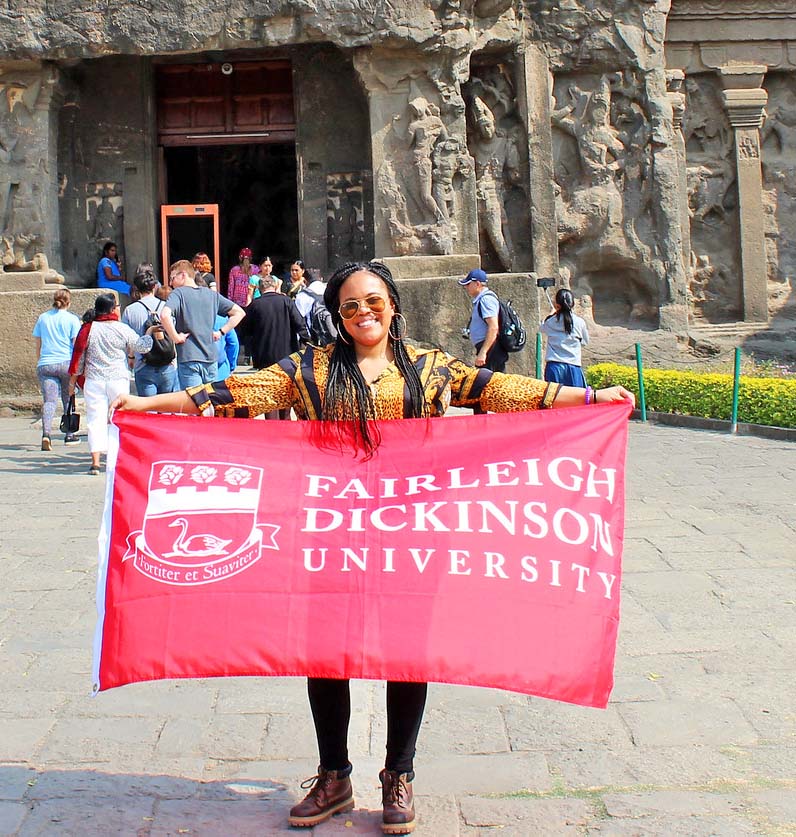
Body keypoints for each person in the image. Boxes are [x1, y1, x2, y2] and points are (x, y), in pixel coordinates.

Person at [111, 260, 634, 834]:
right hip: (329, 536)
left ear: (394, 305)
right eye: (352, 305)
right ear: (337, 314)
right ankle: (334, 775)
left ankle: (398, 774)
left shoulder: (430, 369)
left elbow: (503, 391)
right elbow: (234, 391)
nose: (364, 313)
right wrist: (150, 406)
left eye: (375, 301)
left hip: (413, 538)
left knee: (408, 654)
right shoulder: (309, 370)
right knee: (326, 655)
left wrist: (586, 398)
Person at [69, 293, 153, 475]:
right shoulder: (121, 329)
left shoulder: (88, 329)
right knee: (119, 417)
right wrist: (149, 333)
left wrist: (73, 380)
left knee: (95, 419)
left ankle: (96, 461)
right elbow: (142, 346)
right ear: (112, 309)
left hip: (94, 379)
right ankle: (117, 457)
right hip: (117, 378)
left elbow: (79, 358)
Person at [160, 259, 245, 389]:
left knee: (194, 403)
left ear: (183, 275)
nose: (171, 283)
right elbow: (239, 312)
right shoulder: (212, 295)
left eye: (172, 278)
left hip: (189, 358)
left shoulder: (178, 293)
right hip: (210, 358)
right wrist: (221, 332)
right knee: (211, 401)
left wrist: (176, 337)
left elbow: (164, 315)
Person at [244, 275, 309, 418]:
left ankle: (271, 428)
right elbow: (299, 323)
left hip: (264, 356)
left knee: (268, 394)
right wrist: (307, 342)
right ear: (275, 286)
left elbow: (245, 330)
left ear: (260, 289)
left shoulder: (255, 305)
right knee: (286, 393)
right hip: (287, 355)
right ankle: (285, 425)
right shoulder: (286, 301)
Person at [32, 288, 82, 450]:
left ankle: (46, 434)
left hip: (46, 363)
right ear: (69, 302)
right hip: (65, 362)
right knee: (67, 398)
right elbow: (76, 345)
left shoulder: (43, 318)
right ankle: (69, 434)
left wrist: (40, 359)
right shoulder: (72, 319)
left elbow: (38, 343)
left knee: (49, 401)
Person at [122, 264, 178, 396]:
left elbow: (128, 339)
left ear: (137, 288)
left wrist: (130, 357)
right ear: (155, 287)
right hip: (167, 363)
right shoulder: (166, 307)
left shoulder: (130, 310)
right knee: (166, 408)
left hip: (143, 363)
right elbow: (173, 332)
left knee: (149, 409)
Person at [459, 269, 507, 416]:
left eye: (468, 284)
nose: (466, 287)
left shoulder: (486, 300)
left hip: (490, 349)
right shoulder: (482, 300)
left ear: (477, 284)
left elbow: (493, 327)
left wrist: (483, 352)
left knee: (483, 386)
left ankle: (484, 421)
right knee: (493, 386)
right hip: (489, 348)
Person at [540, 288, 590, 387]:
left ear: (557, 305)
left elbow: (541, 328)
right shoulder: (580, 322)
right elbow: (584, 342)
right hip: (573, 368)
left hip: (554, 368)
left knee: (555, 400)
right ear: (572, 304)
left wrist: (551, 314)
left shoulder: (550, 322)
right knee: (576, 401)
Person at [96, 242, 131, 306]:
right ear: (106, 252)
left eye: (115, 251)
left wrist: (119, 267)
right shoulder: (105, 261)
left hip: (115, 283)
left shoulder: (112, 262)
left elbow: (119, 276)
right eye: (112, 250)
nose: (114, 253)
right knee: (131, 290)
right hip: (107, 284)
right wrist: (120, 278)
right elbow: (109, 276)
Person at [214, 313, 240, 379]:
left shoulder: (187, 317)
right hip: (220, 369)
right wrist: (232, 365)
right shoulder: (222, 319)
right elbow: (233, 343)